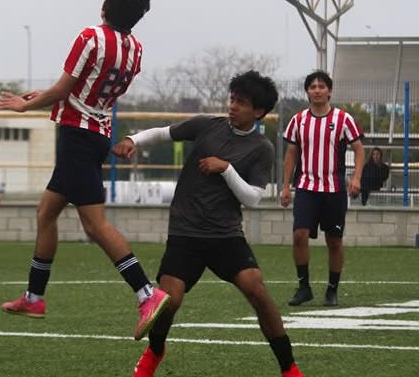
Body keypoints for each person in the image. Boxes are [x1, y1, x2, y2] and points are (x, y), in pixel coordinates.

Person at [0, 0, 169, 340]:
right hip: (96, 135)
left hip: (76, 136)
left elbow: (65, 88)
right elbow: (90, 89)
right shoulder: (135, 49)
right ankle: (34, 297)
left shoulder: (91, 37)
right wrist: (49, 95)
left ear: (105, 7)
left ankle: (146, 293)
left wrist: (25, 105)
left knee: (95, 224)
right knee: (46, 213)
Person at [113, 71, 304, 377]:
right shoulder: (207, 126)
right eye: (232, 99)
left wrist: (226, 168)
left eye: (240, 102)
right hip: (185, 233)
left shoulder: (261, 148)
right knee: (168, 303)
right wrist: (131, 140)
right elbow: (164, 132)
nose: (232, 106)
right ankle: (155, 351)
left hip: (225, 236)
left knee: (258, 292)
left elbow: (253, 198)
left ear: (258, 111)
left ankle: (289, 367)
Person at [279, 70, 364, 309]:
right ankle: (304, 287)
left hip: (334, 189)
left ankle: (332, 290)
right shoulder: (298, 120)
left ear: (329, 91)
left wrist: (356, 178)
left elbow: (359, 149)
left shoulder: (343, 119)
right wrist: (286, 187)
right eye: (312, 86)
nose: (317, 90)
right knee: (299, 235)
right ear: (307, 92)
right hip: (306, 187)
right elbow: (291, 154)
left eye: (321, 86)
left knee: (334, 241)